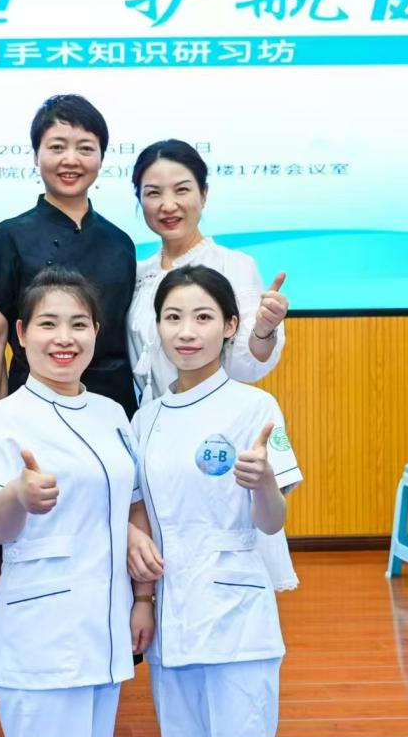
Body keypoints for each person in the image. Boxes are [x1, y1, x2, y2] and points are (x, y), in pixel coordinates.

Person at [0, 267, 153, 737]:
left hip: (105, 627)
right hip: (41, 637)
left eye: (79, 324)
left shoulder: (112, 414)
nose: (64, 338)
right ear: (22, 333)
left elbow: (131, 505)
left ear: (97, 332)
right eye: (48, 324)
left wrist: (143, 598)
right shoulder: (1, 420)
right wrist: (17, 496)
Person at [128, 264, 302, 737]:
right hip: (172, 615)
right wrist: (144, 600)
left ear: (230, 325)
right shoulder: (146, 419)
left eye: (203, 317)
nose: (187, 332)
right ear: (157, 327)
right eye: (173, 317)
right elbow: (141, 513)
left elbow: (272, 521)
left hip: (238, 616)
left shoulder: (255, 407)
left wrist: (263, 483)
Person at [125, 138, 298, 591]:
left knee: (226, 565)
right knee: (162, 569)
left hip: (214, 437)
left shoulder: (233, 264)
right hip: (157, 428)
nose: (168, 205)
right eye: (153, 193)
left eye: (182, 189)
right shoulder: (137, 273)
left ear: (203, 194)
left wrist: (264, 330)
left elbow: (247, 364)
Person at [0, 94, 137, 415]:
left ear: (102, 157)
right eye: (57, 147)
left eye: (85, 148)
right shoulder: (9, 236)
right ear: (36, 156)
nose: (71, 160)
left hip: (112, 408)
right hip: (32, 407)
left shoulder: (121, 243)